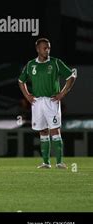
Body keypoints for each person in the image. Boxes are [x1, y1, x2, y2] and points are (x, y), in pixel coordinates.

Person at [18, 38, 76, 169]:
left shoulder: (55, 62)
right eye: (45, 48)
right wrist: (27, 95)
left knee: (55, 130)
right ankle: (46, 162)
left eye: (49, 47)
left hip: (51, 101)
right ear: (38, 49)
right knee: (43, 131)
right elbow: (21, 81)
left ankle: (60, 162)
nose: (47, 50)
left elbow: (71, 76)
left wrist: (62, 93)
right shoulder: (31, 64)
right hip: (37, 102)